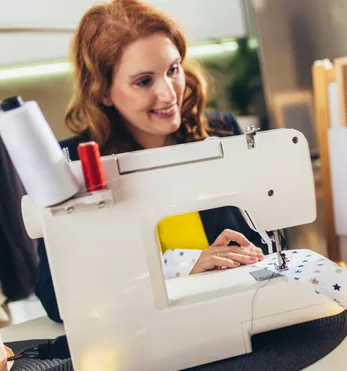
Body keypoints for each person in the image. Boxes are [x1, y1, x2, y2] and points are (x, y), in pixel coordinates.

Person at [36, 0, 277, 323]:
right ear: (104, 91)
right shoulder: (72, 167)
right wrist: (182, 269)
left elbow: (268, 242)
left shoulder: (222, 134)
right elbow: (55, 297)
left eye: (173, 70)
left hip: (230, 318)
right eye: (143, 81)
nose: (168, 94)